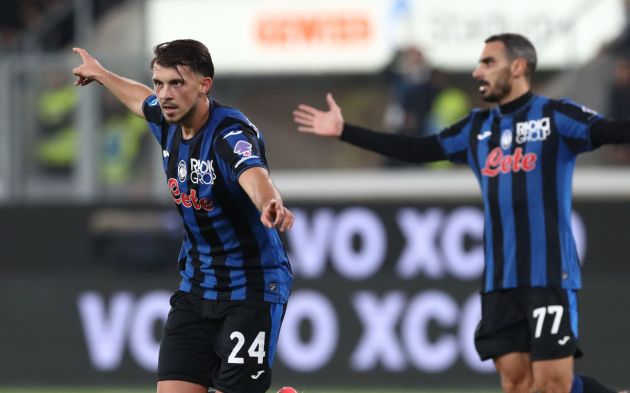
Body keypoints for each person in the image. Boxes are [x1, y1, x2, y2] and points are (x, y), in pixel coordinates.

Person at [293, 33, 629, 393]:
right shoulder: (477, 129)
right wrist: (345, 131)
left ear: (517, 67)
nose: (477, 71)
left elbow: (611, 131)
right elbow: (414, 148)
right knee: (517, 384)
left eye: (488, 62)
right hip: (500, 280)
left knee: (553, 386)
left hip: (548, 274)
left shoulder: (555, 117)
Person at [73, 39, 294, 393]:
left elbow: (255, 175)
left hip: (251, 289)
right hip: (196, 287)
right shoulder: (166, 118)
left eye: (177, 83)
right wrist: (100, 75)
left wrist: (269, 203)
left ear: (204, 85)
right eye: (160, 83)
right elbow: (138, 98)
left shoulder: (229, 134)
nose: (164, 94)